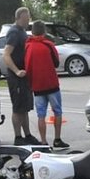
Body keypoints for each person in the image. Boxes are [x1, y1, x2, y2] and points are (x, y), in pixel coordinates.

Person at [24, 20, 68, 148]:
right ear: (44, 31)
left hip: (37, 86)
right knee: (57, 111)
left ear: (32, 32)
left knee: (41, 115)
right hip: (51, 84)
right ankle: (57, 139)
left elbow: (27, 67)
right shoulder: (48, 45)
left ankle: (43, 142)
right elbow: (56, 63)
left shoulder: (28, 47)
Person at [2, 7, 41, 145]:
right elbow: (6, 54)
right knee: (18, 108)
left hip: (24, 76)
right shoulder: (14, 32)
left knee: (24, 107)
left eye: (29, 17)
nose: (28, 20)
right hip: (16, 77)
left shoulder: (22, 31)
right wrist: (16, 71)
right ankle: (18, 138)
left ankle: (27, 135)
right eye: (26, 18)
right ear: (19, 17)